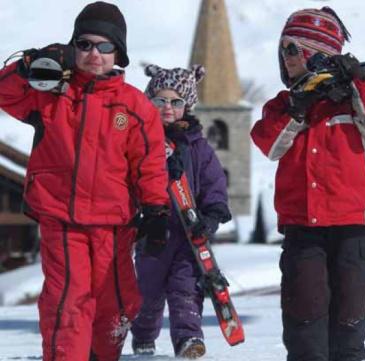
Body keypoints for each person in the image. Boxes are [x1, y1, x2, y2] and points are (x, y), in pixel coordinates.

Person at [0, 2, 170, 361]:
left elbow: (150, 164)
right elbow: (5, 93)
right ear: (71, 48)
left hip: (115, 225)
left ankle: (101, 355)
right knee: (69, 301)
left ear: (118, 53)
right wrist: (28, 64)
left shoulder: (134, 107)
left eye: (105, 46)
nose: (94, 54)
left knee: (119, 303)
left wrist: (156, 209)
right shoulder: (49, 94)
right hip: (62, 220)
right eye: (85, 44)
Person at [250, 6, 365, 361]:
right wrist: (299, 107)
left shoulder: (352, 100)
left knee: (348, 320)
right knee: (305, 319)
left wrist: (359, 78)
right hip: (303, 229)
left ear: (317, 54)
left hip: (351, 228)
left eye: (293, 49)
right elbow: (267, 142)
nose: (286, 58)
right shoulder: (282, 105)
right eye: (283, 50)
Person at [130, 64, 232, 359]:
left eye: (176, 102)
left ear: (187, 106)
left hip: (190, 234)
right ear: (149, 102)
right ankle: (144, 336)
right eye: (159, 101)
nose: (167, 108)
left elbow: (214, 182)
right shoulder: (140, 141)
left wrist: (212, 215)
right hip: (152, 233)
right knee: (147, 292)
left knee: (185, 288)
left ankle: (188, 339)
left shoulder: (198, 147)